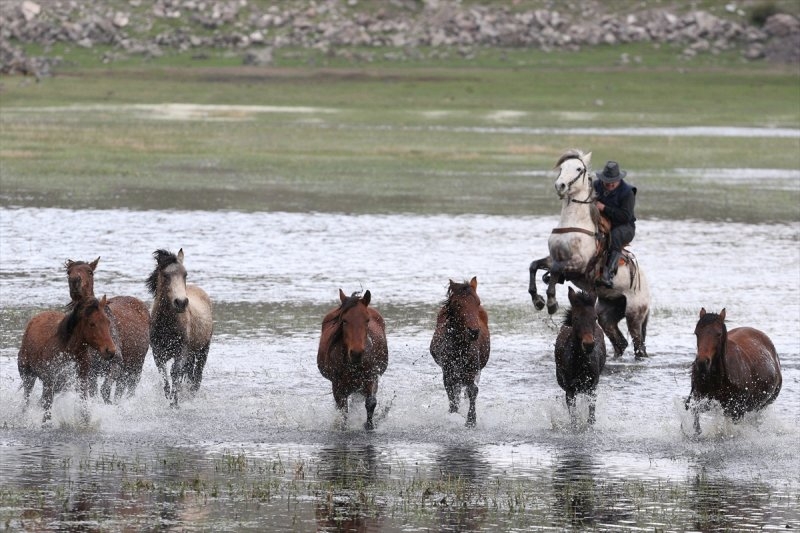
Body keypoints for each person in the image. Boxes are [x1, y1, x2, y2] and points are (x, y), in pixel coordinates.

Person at [593, 160, 636, 288]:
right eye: (607, 181)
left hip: (624, 226)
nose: (610, 184)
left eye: (613, 181)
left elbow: (625, 216)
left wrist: (603, 208)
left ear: (619, 179)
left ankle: (608, 274)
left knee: (615, 235)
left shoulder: (628, 192)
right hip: (601, 223)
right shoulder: (596, 186)